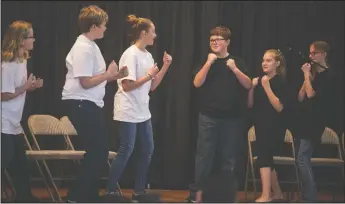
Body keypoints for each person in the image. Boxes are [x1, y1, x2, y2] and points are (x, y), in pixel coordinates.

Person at [61, 5, 128, 203]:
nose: (105, 29)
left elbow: (92, 78)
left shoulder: (91, 45)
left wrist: (112, 76)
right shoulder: (83, 47)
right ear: (93, 26)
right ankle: (76, 197)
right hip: (81, 103)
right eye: (103, 25)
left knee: (98, 151)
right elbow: (84, 82)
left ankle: (86, 196)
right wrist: (107, 75)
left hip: (88, 103)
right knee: (97, 151)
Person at [105, 14, 172, 203]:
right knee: (126, 148)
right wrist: (149, 76)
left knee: (147, 148)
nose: (155, 35)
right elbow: (127, 85)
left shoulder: (148, 55)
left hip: (143, 110)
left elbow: (152, 86)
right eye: (153, 32)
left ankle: (139, 191)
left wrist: (165, 66)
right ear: (143, 33)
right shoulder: (130, 53)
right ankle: (110, 190)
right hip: (127, 109)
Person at [186, 26, 252, 203]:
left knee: (228, 158)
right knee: (204, 156)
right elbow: (197, 83)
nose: (214, 42)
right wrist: (208, 63)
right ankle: (197, 195)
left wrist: (235, 69)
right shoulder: (206, 60)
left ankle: (226, 196)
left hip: (231, 118)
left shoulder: (237, 61)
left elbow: (248, 85)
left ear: (227, 42)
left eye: (218, 39)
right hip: (208, 117)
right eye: (212, 40)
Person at [1, 20, 43, 203]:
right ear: (20, 40)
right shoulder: (8, 64)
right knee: (5, 159)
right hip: (3, 120)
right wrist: (25, 87)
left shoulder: (22, 61)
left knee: (20, 163)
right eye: (31, 36)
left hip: (14, 122)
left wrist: (30, 87)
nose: (34, 39)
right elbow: (4, 94)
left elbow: (17, 89)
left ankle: (25, 197)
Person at [247, 49, 289, 202]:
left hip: (275, 125)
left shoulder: (280, 81)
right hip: (260, 123)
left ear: (277, 63)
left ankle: (266, 194)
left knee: (264, 156)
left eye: (269, 60)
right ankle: (277, 192)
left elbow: (279, 107)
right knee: (266, 157)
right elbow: (250, 104)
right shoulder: (259, 80)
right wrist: (251, 87)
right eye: (263, 60)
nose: (264, 63)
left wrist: (266, 86)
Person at [294, 41, 334, 202]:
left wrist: (305, 76)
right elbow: (301, 97)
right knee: (302, 158)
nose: (310, 56)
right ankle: (306, 196)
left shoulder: (329, 75)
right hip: (305, 121)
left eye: (313, 53)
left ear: (323, 54)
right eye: (310, 53)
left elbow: (311, 95)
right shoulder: (314, 74)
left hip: (315, 122)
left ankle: (310, 198)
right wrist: (307, 78)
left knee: (302, 158)